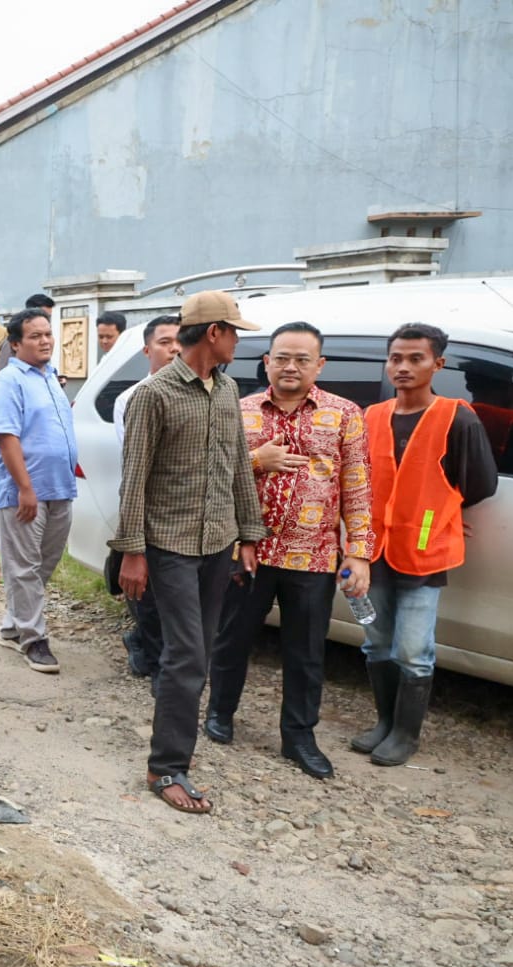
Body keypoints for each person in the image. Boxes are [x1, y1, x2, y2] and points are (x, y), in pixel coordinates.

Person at [113, 292, 265, 814]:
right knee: (187, 656)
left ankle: (175, 754)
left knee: (199, 651)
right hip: (169, 546)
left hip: (217, 544)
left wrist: (249, 535)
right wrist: (133, 552)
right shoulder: (153, 395)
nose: (239, 341)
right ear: (214, 332)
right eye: (235, 331)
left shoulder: (227, 390)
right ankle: (166, 767)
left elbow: (238, 467)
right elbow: (134, 479)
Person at [203, 322, 375, 778]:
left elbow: (357, 487)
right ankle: (220, 711)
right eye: (282, 358)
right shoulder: (238, 410)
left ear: (320, 365)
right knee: (231, 639)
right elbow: (211, 472)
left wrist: (358, 552)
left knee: (306, 652)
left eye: (302, 359)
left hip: (313, 556)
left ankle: (298, 737)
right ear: (267, 362)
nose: (291, 367)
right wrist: (257, 461)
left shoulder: (345, 415)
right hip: (246, 551)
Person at [352, 322, 498, 766]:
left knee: (413, 651)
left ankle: (405, 734)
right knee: (376, 643)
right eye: (396, 358)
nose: (403, 366)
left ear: (438, 363)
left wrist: (443, 511)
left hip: (425, 551)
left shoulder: (457, 417)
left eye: (416, 358)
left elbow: (481, 484)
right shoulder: (372, 416)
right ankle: (384, 722)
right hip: (373, 550)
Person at [0, 309, 77, 674]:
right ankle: (33, 639)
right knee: (24, 567)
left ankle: (13, 626)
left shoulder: (51, 377)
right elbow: (6, 436)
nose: (45, 341)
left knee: (44, 563)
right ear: (15, 344)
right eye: (35, 336)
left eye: (47, 334)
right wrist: (25, 488)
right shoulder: (9, 382)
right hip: (23, 492)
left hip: (59, 488)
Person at [111, 315, 181, 680]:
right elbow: (138, 464)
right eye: (165, 342)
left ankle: (146, 645)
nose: (174, 349)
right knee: (150, 590)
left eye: (180, 341)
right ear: (147, 350)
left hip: (189, 514)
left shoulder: (208, 390)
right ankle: (154, 662)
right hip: (153, 508)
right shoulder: (132, 398)